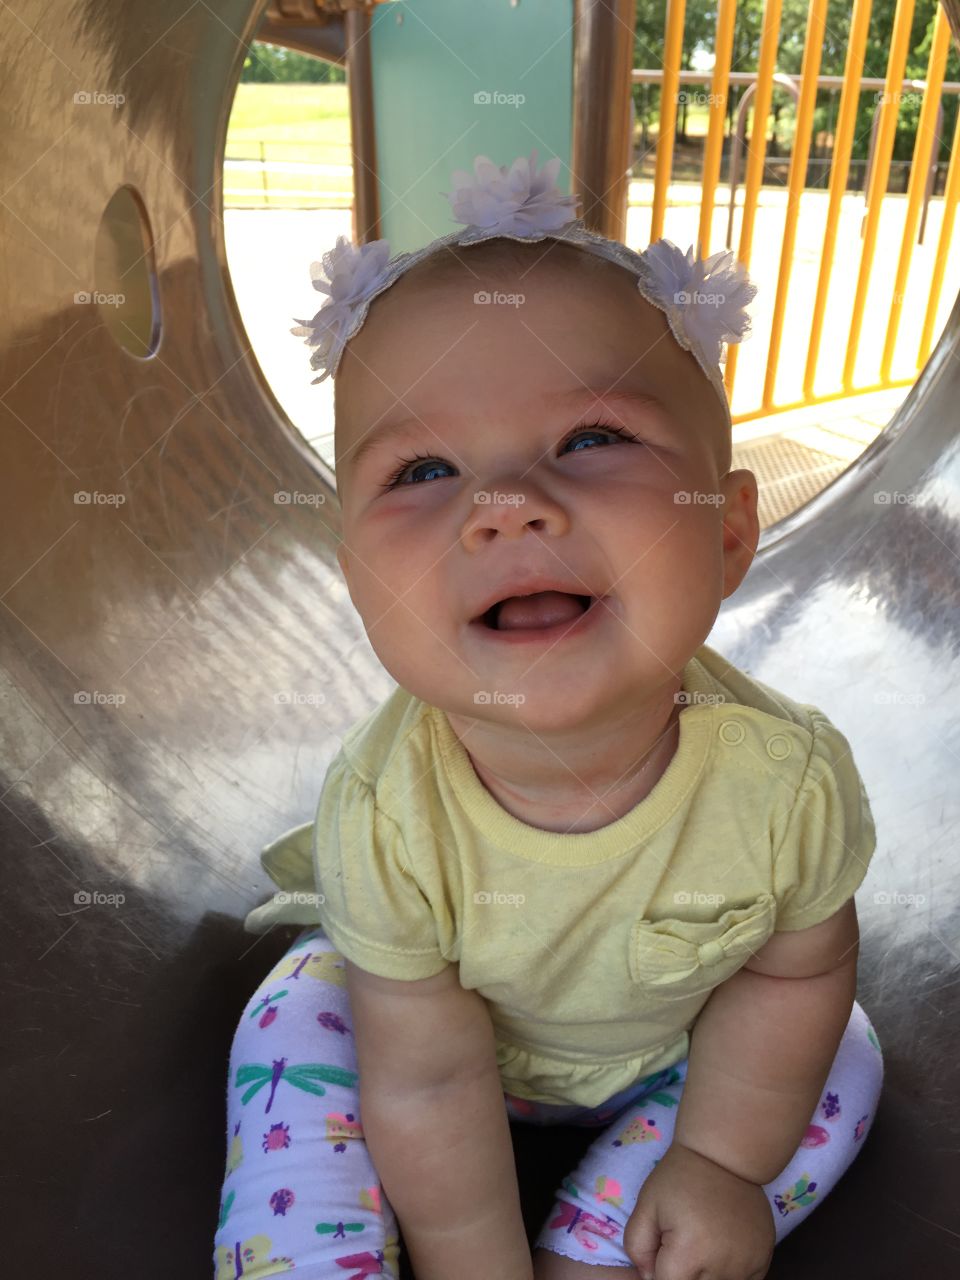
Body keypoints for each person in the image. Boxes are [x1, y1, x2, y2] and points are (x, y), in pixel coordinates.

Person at [212, 151, 883, 1280]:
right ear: (356, 579)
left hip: (673, 1048)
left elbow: (793, 974)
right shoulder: (385, 809)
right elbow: (425, 1074)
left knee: (843, 1052)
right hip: (416, 1042)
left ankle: (609, 1240)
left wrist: (722, 1156)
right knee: (291, 1022)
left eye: (590, 440)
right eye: (423, 468)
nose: (506, 506)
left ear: (725, 533)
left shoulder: (786, 780)